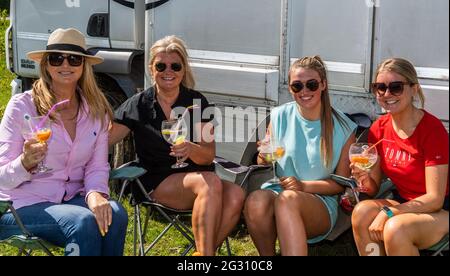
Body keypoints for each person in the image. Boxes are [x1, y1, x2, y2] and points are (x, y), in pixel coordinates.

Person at [109, 35, 245, 256]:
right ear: (151, 69)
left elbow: (208, 156)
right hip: (157, 180)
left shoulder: (199, 103)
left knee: (237, 194)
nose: (168, 71)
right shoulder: (139, 104)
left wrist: (191, 149)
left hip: (200, 179)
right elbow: (107, 138)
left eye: (175, 65)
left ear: (183, 70)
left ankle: (201, 253)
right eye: (161, 65)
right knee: (210, 183)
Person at [0, 28, 128, 256]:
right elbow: (2, 177)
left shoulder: (95, 111)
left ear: (84, 66)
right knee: (83, 221)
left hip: (70, 200)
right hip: (20, 206)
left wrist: (96, 194)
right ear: (46, 65)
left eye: (74, 59)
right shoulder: (22, 107)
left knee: (116, 214)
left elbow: (97, 167)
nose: (65, 65)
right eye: (57, 58)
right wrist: (25, 162)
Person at [243, 56, 357, 256]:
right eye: (297, 86)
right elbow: (265, 161)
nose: (304, 91)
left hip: (319, 201)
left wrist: (302, 186)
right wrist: (264, 156)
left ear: (323, 85)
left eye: (311, 84)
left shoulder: (344, 127)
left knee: (288, 199)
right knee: (255, 201)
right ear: (290, 88)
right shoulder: (278, 116)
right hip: (279, 191)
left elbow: (340, 184)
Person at [351, 58, 449, 256]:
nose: (387, 94)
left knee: (396, 228)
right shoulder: (379, 128)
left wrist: (389, 212)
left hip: (440, 209)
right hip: (404, 201)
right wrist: (363, 177)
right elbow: (373, 188)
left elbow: (435, 199)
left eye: (396, 87)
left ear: (413, 89)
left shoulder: (431, 130)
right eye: (380, 87)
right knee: (361, 213)